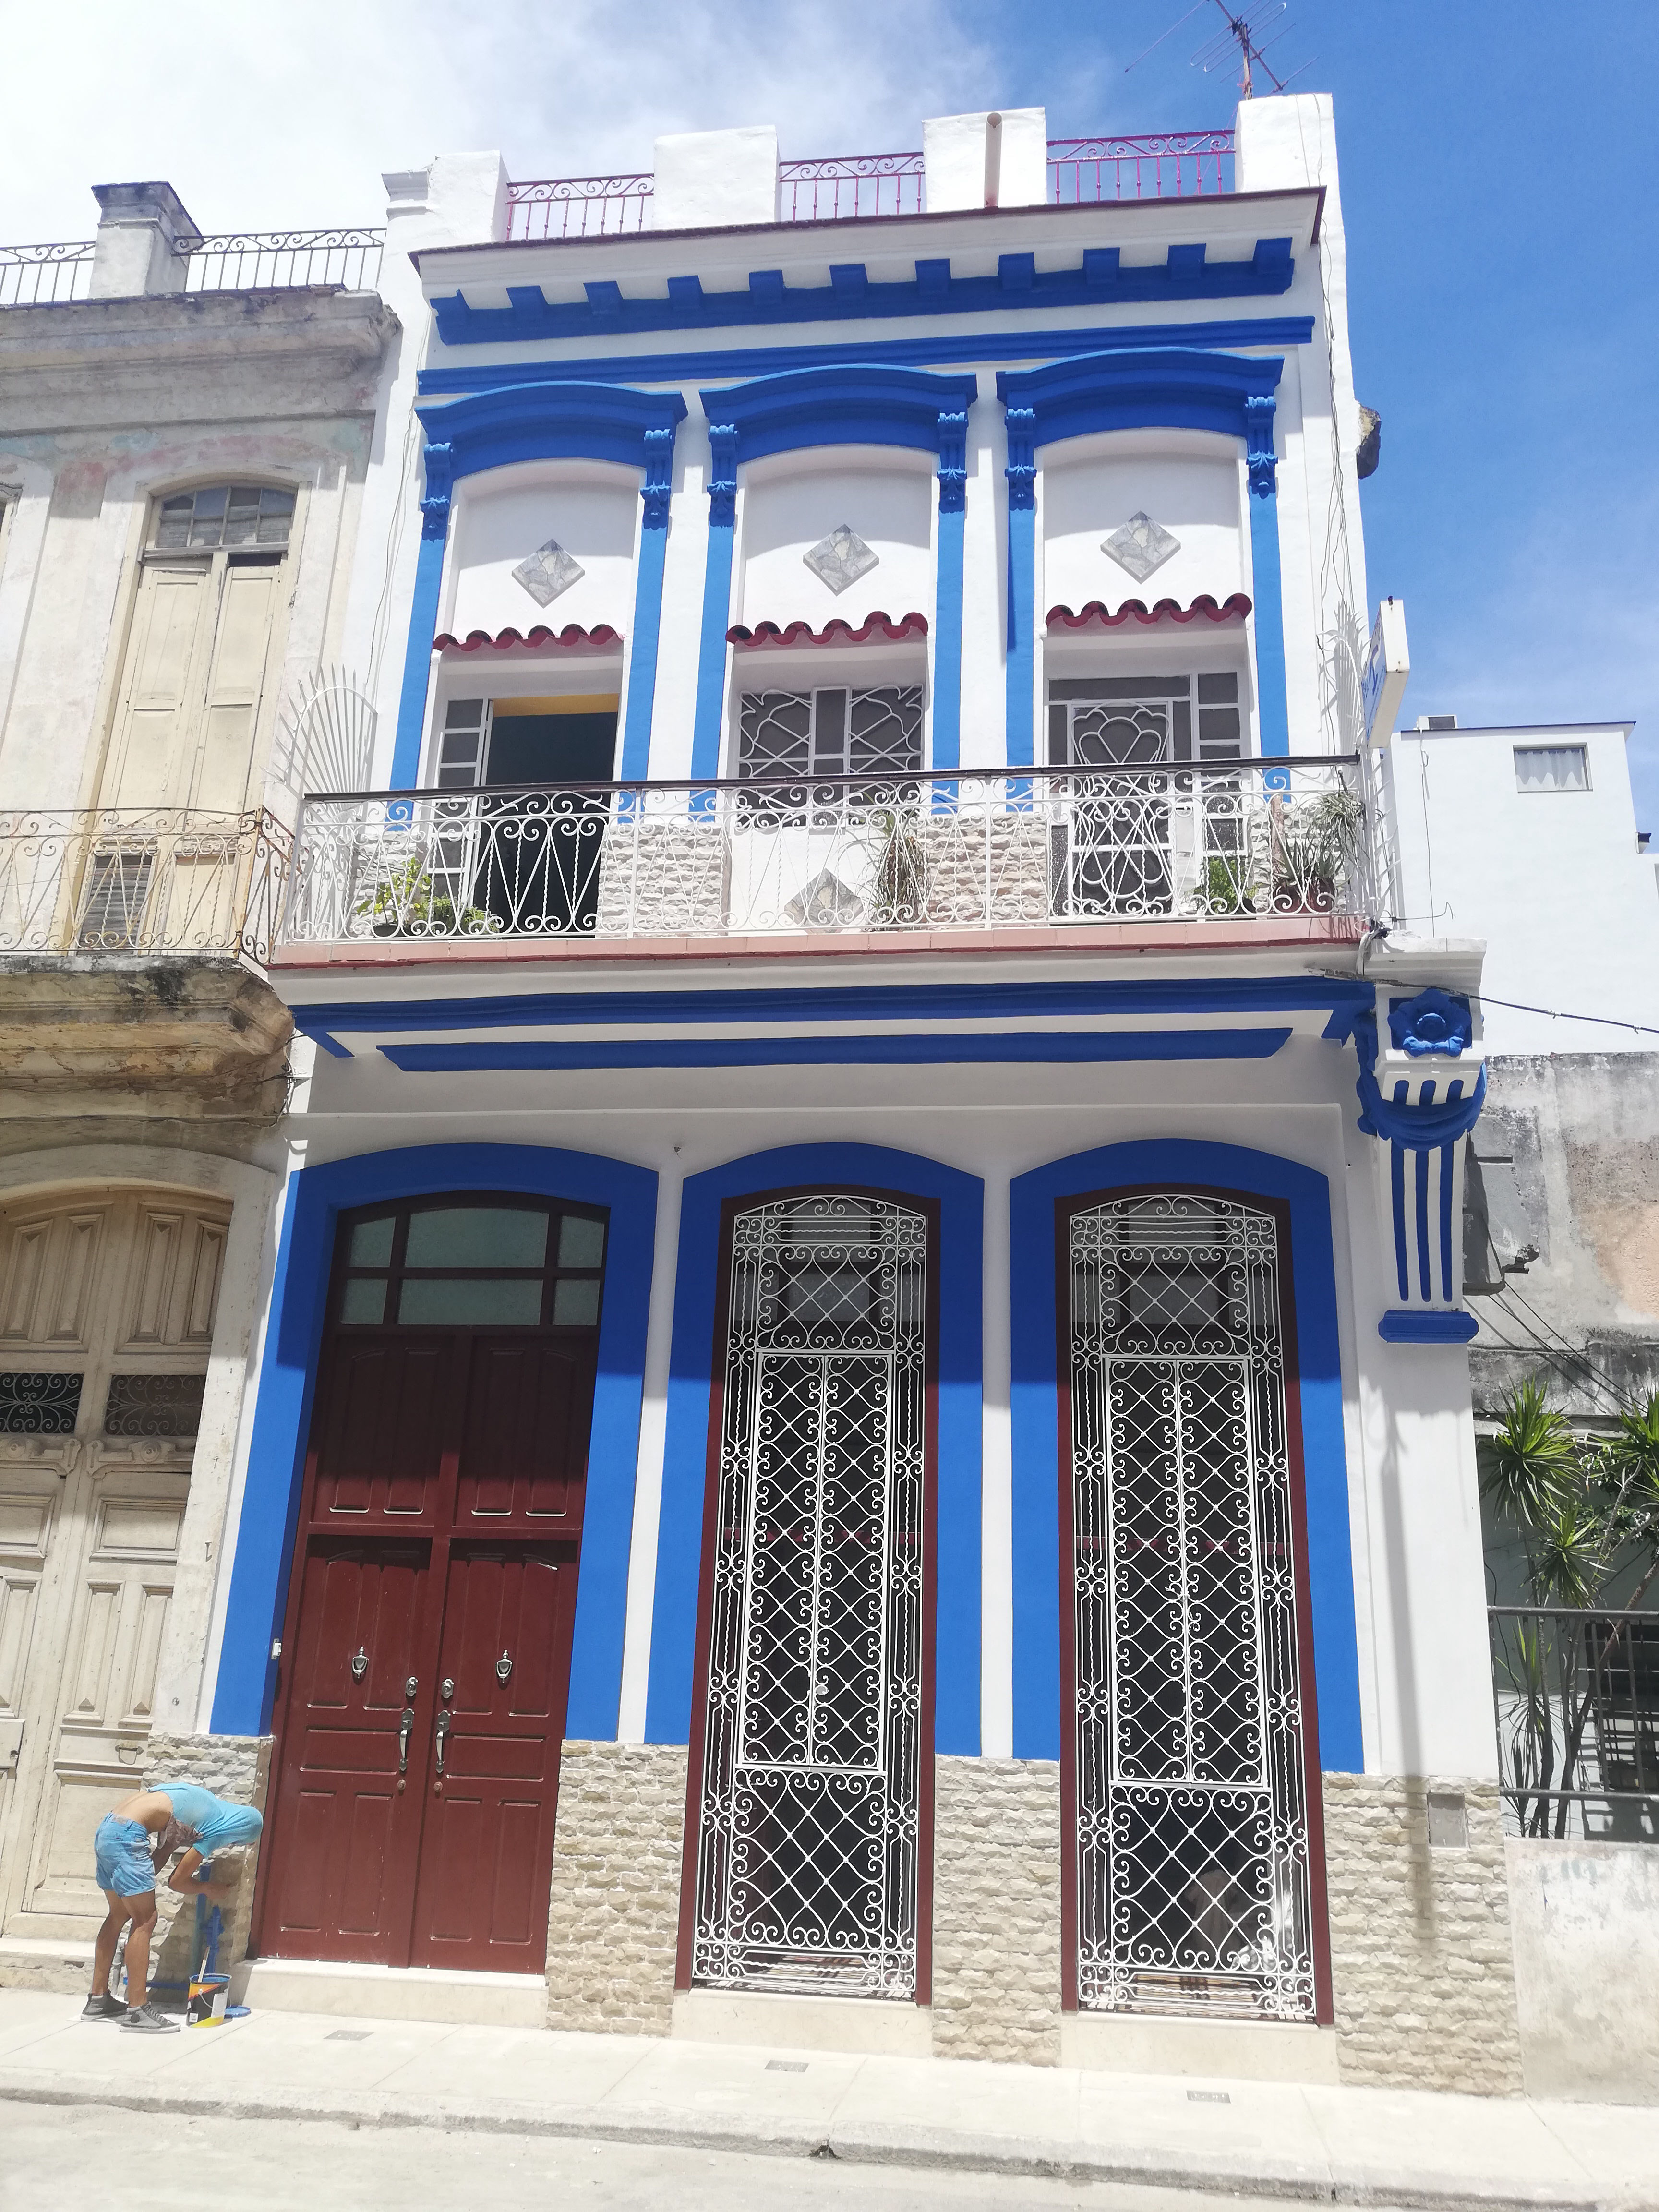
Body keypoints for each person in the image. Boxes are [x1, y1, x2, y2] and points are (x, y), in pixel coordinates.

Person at [84, 1784, 264, 2033]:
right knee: (145, 1920)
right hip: (127, 1837)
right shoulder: (218, 1828)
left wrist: (167, 1847)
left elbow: (147, 1874)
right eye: (236, 1841)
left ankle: (98, 2000)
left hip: (109, 1829)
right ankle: (137, 2012)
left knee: (119, 1914)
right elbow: (177, 1882)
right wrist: (208, 1888)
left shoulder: (205, 1802)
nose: (230, 1843)